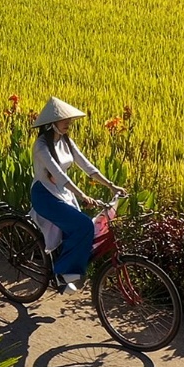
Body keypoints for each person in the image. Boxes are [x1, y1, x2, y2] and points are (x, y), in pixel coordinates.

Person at [30, 97, 122, 295]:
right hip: (45, 195)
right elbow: (58, 174)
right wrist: (82, 195)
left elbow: (87, 166)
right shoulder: (41, 146)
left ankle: (69, 267)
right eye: (64, 120)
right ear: (51, 123)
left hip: (62, 193)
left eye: (69, 120)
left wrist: (111, 185)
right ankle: (65, 273)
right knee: (83, 225)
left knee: (80, 228)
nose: (68, 124)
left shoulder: (66, 141)